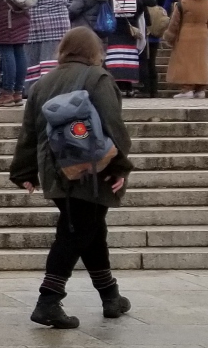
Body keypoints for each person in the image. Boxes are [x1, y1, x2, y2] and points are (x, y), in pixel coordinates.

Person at [10, 26, 135, 330]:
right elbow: (113, 125)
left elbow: (30, 130)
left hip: (55, 169)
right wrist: (120, 166)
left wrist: (24, 171)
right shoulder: (98, 78)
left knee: (89, 230)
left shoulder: (43, 82)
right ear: (94, 51)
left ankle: (110, 295)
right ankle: (48, 300)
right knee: (76, 232)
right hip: (92, 171)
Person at [22, 0, 71, 96]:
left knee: (33, 62)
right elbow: (67, 1)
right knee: (51, 61)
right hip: (60, 29)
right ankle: (54, 88)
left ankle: (32, 90)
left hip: (36, 29)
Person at [162, 0, 208, 98]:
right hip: (203, 34)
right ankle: (200, 89)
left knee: (186, 62)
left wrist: (170, 36)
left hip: (185, 35)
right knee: (200, 62)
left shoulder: (183, 3)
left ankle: (187, 89)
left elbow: (174, 23)